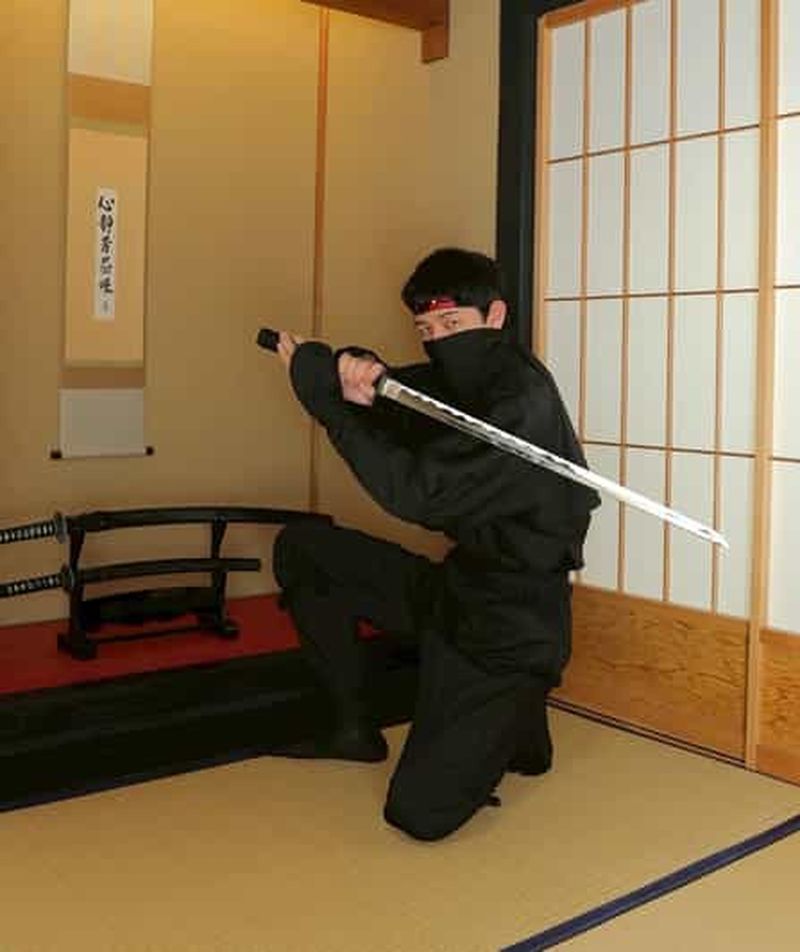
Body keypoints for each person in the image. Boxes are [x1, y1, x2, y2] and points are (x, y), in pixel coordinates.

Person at [271, 247, 600, 841]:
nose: (438, 340)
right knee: (306, 548)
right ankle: (353, 728)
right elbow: (407, 399)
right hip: (458, 590)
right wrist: (360, 375)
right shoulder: (467, 378)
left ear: (494, 316)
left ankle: (516, 703)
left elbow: (420, 495)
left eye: (453, 326)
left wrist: (328, 407)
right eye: (427, 329)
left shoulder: (519, 403)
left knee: (419, 815)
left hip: (511, 627)